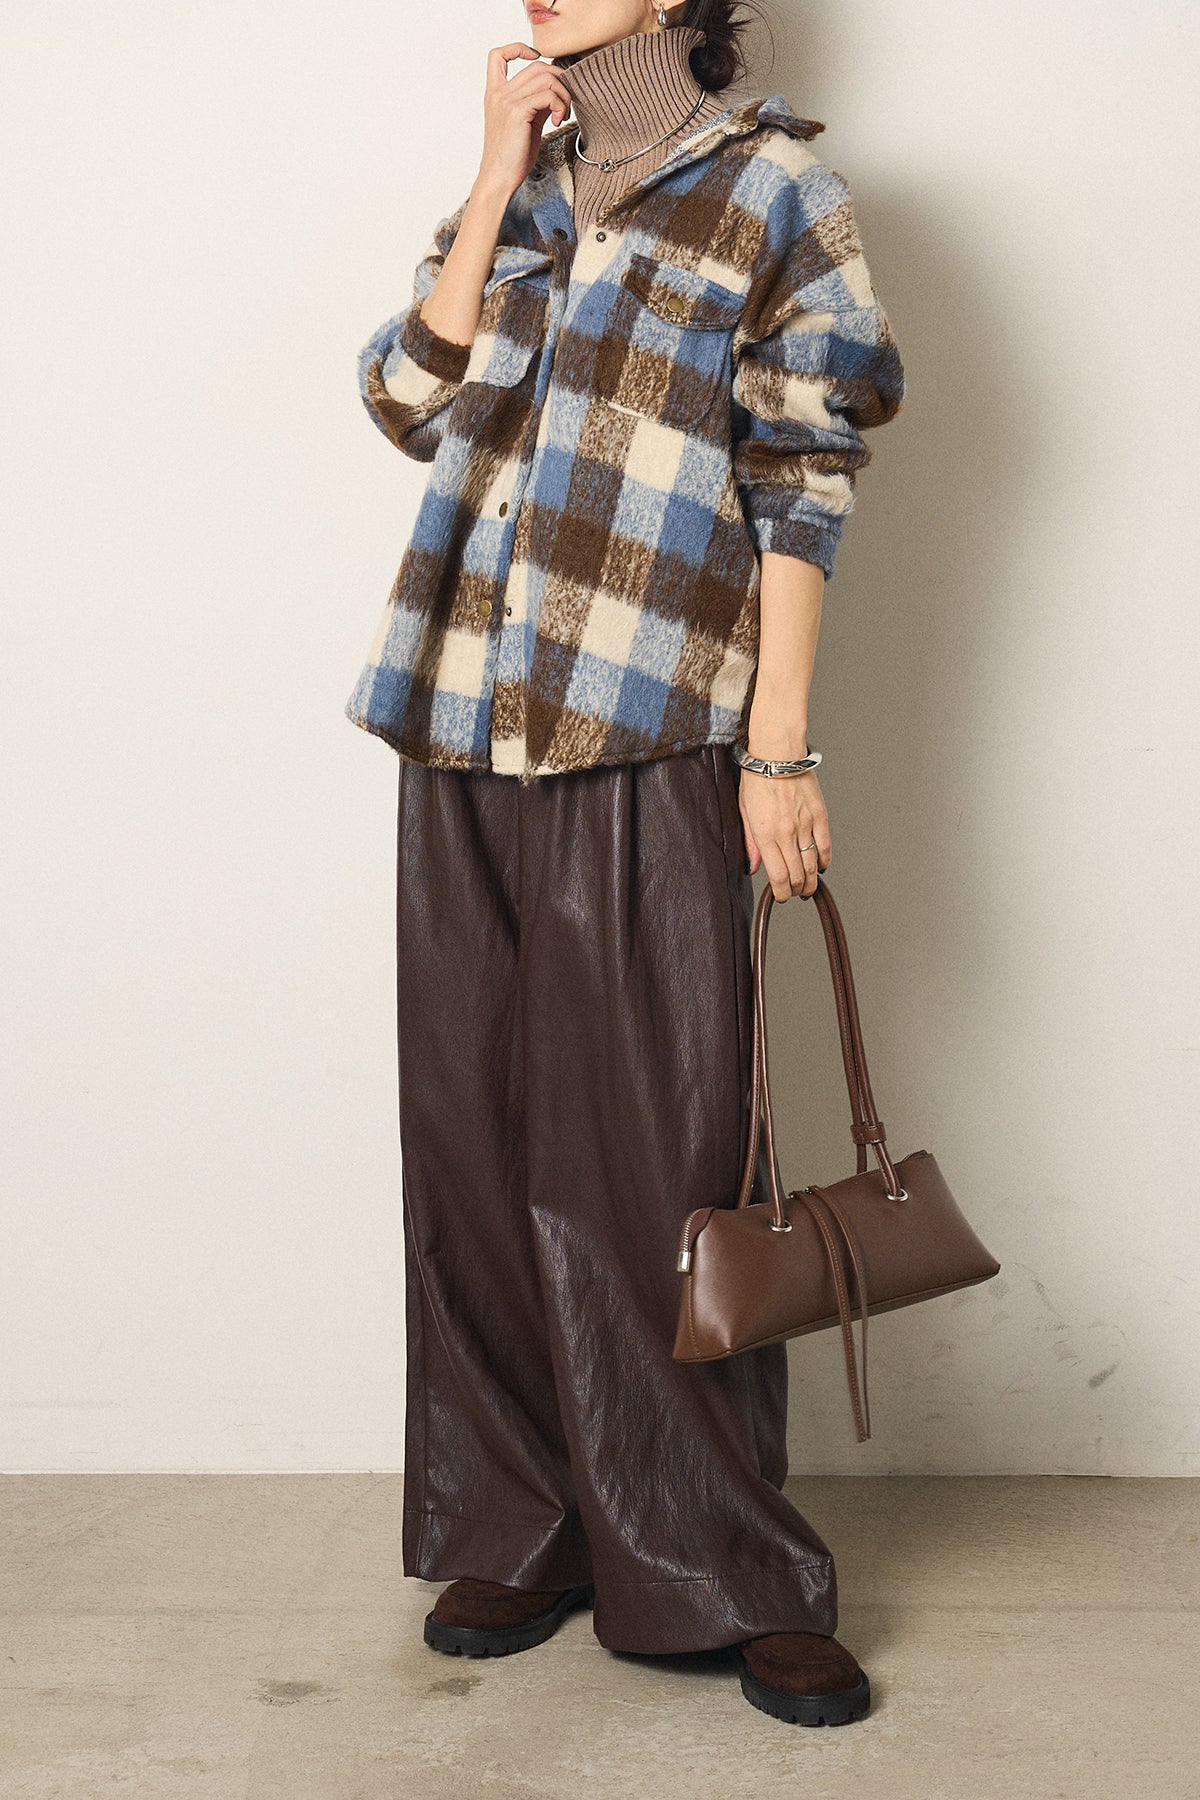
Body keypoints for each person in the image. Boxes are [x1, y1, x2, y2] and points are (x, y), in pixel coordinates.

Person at [345, 0, 905, 1727]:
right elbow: (403, 395)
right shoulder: (520, 191)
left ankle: (725, 1560)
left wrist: (778, 747)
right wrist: (493, 170)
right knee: (474, 1133)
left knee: (663, 1155)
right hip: (461, 714)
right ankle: (527, 1522)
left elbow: (806, 474)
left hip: (650, 718)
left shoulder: (777, 193)